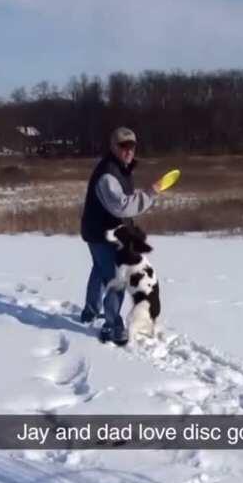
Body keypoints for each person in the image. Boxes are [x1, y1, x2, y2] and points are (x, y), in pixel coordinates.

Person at [80, 127, 160, 346]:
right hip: (101, 234)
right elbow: (121, 206)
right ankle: (112, 325)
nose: (128, 150)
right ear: (113, 147)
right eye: (123, 146)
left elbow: (122, 203)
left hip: (101, 231)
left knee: (100, 270)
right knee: (116, 279)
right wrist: (150, 194)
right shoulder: (108, 174)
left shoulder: (121, 169)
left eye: (132, 146)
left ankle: (90, 312)